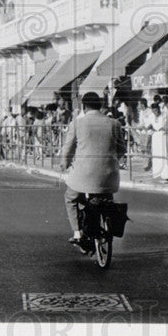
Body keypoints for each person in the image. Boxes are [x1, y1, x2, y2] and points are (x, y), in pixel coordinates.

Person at [60, 92, 127, 245]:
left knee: (71, 197)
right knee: (106, 198)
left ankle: (77, 233)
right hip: (109, 176)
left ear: (84, 106)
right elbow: (122, 149)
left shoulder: (77, 123)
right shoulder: (114, 123)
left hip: (83, 174)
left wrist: (65, 163)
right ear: (101, 105)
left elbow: (68, 148)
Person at [149, 102, 168, 181]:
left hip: (164, 137)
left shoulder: (165, 116)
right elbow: (148, 126)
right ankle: (158, 174)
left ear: (159, 109)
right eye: (154, 111)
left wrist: (166, 130)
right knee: (157, 156)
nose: (155, 113)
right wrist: (151, 129)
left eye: (156, 111)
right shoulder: (151, 116)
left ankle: (167, 175)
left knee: (165, 156)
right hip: (155, 138)